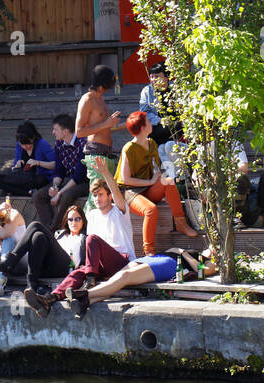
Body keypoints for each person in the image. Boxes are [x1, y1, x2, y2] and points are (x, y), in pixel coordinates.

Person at [24, 158, 135, 316]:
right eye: (95, 196)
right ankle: (49, 300)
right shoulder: (92, 215)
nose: (97, 199)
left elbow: (117, 194)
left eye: (101, 195)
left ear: (109, 196)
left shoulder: (120, 212)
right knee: (77, 272)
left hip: (122, 263)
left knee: (91, 240)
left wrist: (105, 173)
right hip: (100, 266)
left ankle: (89, 284)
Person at [116, 111, 199, 252]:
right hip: (130, 192)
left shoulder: (152, 143)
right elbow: (125, 179)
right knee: (151, 210)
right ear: (143, 128)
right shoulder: (128, 148)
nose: (151, 124)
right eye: (148, 122)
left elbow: (155, 169)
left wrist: (158, 181)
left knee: (168, 182)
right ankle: (148, 250)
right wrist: (150, 182)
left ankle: (181, 223)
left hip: (147, 188)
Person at [69, 246, 220, 319]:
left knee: (125, 276)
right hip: (153, 258)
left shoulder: (208, 262)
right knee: (119, 278)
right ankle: (85, 301)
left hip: (169, 263)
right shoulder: (193, 251)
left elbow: (203, 271)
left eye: (215, 249)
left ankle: (84, 294)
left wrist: (183, 253)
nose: (211, 248)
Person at [0, 206, 87, 292]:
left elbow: (85, 262)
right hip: (46, 267)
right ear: (66, 221)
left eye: (77, 219)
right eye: (70, 219)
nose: (74, 222)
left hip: (66, 267)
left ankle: (10, 261)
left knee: (35, 225)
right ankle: (31, 282)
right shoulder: (59, 235)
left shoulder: (84, 238)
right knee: (38, 236)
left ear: (83, 220)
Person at [33, 113, 88, 229]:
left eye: (55, 129)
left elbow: (79, 175)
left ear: (65, 132)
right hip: (67, 180)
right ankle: (49, 227)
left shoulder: (83, 143)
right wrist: (55, 187)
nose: (53, 132)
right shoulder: (59, 144)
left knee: (65, 196)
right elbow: (59, 171)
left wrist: (59, 193)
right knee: (38, 196)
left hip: (83, 182)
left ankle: (52, 230)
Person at [75, 65, 126, 173]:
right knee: (98, 189)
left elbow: (105, 128)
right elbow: (79, 132)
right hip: (96, 153)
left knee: (108, 189)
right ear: (103, 86)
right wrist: (106, 124)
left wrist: (126, 124)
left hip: (107, 152)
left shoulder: (100, 99)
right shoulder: (87, 100)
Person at [0, 121, 56, 197]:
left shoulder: (42, 144)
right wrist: (16, 166)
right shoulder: (19, 145)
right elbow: (15, 169)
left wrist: (38, 163)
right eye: (22, 144)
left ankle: (14, 190)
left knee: (40, 180)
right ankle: (28, 193)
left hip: (36, 179)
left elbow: (55, 164)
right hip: (22, 178)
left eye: (28, 144)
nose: (25, 147)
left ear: (33, 138)